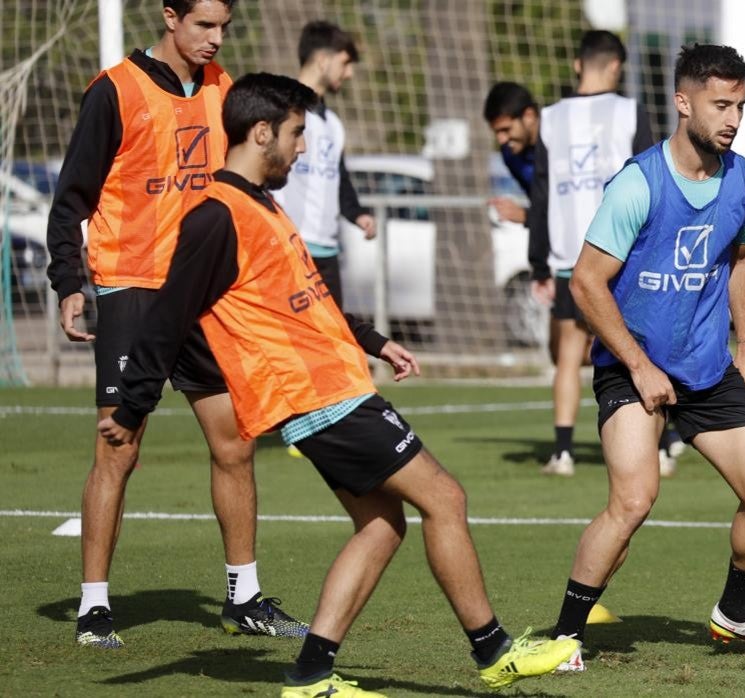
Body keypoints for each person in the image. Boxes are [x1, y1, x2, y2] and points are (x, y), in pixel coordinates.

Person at [97, 72, 580, 696]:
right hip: (317, 396)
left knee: (383, 525)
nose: (303, 149)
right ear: (262, 132)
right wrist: (133, 407)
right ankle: (494, 653)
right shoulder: (216, 217)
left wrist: (373, 340)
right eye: (297, 134)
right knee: (446, 499)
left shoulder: (261, 206)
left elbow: (308, 300)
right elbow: (165, 319)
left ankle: (311, 674)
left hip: (334, 385)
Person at [44, 0, 307, 649]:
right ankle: (96, 605)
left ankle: (243, 597)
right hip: (132, 287)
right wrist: (68, 282)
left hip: (203, 292)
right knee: (119, 446)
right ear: (168, 16)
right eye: (203, 26)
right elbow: (72, 195)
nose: (216, 40)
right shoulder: (115, 91)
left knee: (235, 443)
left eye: (224, 28)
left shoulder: (223, 91)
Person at [547, 43, 745, 672]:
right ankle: (563, 638)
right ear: (683, 101)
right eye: (721, 104)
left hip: (706, 368)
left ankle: (737, 614)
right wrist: (638, 365)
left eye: (740, 105)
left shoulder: (744, 178)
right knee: (634, 499)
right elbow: (586, 281)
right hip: (632, 367)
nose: (733, 118)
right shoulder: (639, 183)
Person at [528, 30, 655, 477]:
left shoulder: (549, 118)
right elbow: (650, 179)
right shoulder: (629, 111)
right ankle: (657, 446)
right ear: (616, 67)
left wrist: (538, 261)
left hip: (569, 256)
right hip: (624, 254)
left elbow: (540, 192)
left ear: (579, 64)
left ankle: (562, 451)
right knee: (639, 348)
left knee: (568, 353)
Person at [271, 20, 375, 308]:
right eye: (345, 63)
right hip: (289, 247)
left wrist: (358, 213)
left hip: (327, 252)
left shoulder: (334, 125)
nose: (350, 73)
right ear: (321, 60)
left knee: (334, 343)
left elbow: (338, 179)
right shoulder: (281, 111)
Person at [482, 81, 539, 224]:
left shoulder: (561, 145)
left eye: (506, 129)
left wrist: (526, 216)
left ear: (529, 116)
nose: (501, 139)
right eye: (496, 132)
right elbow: (540, 204)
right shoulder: (510, 155)